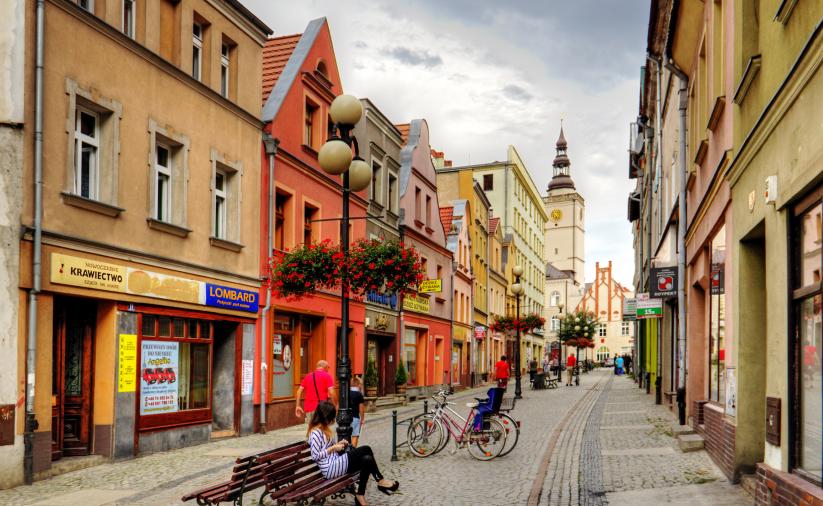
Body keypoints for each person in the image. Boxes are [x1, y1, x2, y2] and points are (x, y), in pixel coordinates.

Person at [308, 401, 399, 506]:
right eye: (332, 417)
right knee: (366, 449)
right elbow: (315, 456)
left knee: (367, 459)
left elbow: (327, 448)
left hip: (335, 463)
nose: (333, 420)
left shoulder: (323, 430)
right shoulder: (315, 433)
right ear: (325, 416)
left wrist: (339, 444)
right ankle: (380, 480)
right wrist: (333, 448)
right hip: (330, 468)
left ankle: (360, 495)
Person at [295, 360, 336, 430]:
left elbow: (299, 391)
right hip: (321, 408)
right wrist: (335, 405)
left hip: (308, 408)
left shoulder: (308, 376)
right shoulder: (327, 376)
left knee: (311, 430)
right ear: (325, 367)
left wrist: (297, 405)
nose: (328, 369)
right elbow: (332, 392)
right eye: (328, 367)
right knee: (322, 430)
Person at [349, 376, 366, 447]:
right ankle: (353, 452)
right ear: (357, 384)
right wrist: (362, 419)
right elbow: (361, 409)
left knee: (346, 436)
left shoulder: (347, 393)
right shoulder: (359, 394)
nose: (361, 386)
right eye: (361, 384)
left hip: (345, 418)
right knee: (355, 435)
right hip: (355, 417)